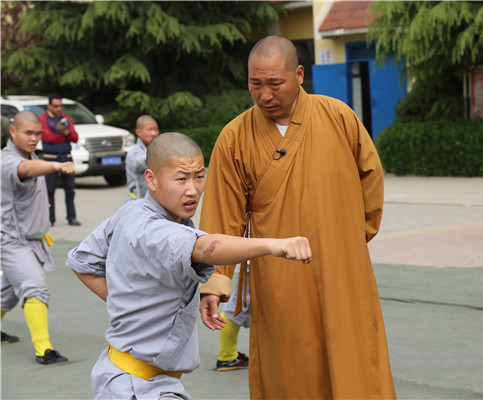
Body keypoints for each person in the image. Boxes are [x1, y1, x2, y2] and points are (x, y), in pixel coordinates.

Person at [199, 35, 396, 399]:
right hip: (280, 278)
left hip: (343, 270)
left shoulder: (338, 116)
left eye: (275, 83)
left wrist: (348, 241)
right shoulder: (234, 137)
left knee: (355, 360)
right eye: (255, 84)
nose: (264, 95)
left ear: (299, 74)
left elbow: (371, 183)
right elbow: (222, 217)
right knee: (290, 365)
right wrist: (216, 279)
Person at [66, 132, 312, 399]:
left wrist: (133, 301)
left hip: (132, 377)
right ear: (152, 179)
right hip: (138, 385)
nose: (193, 189)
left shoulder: (131, 211)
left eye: (199, 176)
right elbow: (205, 247)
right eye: (181, 178)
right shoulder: (155, 229)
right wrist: (272, 245)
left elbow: (82, 261)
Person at [1, 110, 74, 364]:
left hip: (30, 241)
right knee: (35, 288)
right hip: (11, 242)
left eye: (37, 134)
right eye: (28, 133)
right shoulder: (9, 160)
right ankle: (44, 350)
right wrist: (55, 165)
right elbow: (25, 170)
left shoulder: (31, 155)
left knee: (6, 294)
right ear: (13, 132)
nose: (33, 138)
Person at [40, 94, 81, 226]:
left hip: (66, 158)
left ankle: (72, 217)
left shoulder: (66, 119)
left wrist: (66, 132)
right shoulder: (42, 119)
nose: (59, 108)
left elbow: (75, 138)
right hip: (50, 159)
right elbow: (48, 138)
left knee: (70, 190)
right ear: (49, 106)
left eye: (60, 106)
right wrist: (64, 134)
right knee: (49, 191)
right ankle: (50, 219)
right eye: (55, 106)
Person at [215, 263, 250, 371]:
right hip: (257, 261)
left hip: (261, 259)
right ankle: (227, 356)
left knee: (239, 306)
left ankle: (227, 355)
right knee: (237, 307)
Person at [125, 115, 159, 202]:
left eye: (155, 129)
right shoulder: (133, 153)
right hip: (137, 202)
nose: (153, 133)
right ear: (138, 132)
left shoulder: (156, 149)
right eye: (150, 129)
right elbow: (139, 162)